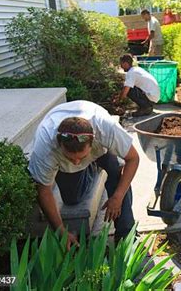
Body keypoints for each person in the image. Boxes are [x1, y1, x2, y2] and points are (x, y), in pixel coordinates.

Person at [28, 100, 139, 249]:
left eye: (81, 157)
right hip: (67, 165)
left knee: (116, 173)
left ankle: (127, 235)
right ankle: (92, 168)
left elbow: (133, 158)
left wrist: (117, 197)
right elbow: (44, 190)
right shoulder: (45, 147)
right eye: (70, 158)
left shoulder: (105, 128)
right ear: (59, 145)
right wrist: (60, 230)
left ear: (93, 140)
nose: (76, 162)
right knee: (72, 199)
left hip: (101, 153)